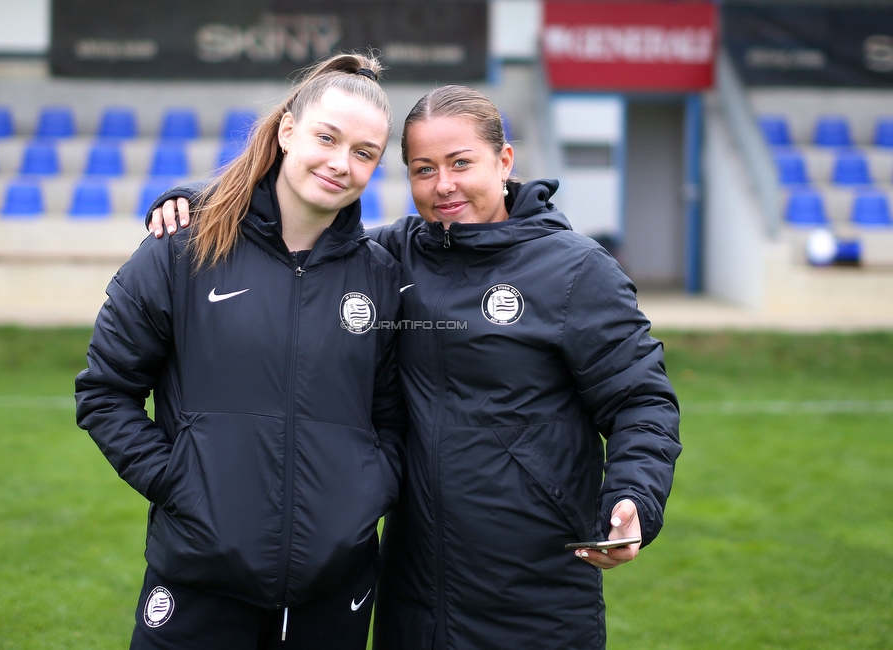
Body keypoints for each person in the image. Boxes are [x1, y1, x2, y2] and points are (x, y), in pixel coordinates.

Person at [148, 85, 681, 650]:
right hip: (412, 590)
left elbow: (640, 400)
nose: (443, 185)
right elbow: (294, 228)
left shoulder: (576, 271)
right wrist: (204, 201)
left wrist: (633, 495)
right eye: (423, 169)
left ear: (504, 161)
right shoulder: (391, 257)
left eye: (460, 163)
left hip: (536, 587)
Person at [75, 53, 406, 650]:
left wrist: (365, 493)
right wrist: (179, 481)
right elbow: (106, 392)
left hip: (334, 591)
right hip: (198, 583)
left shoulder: (380, 276)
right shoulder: (181, 252)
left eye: (364, 153)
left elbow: (391, 415)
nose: (340, 163)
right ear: (286, 131)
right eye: (326, 138)